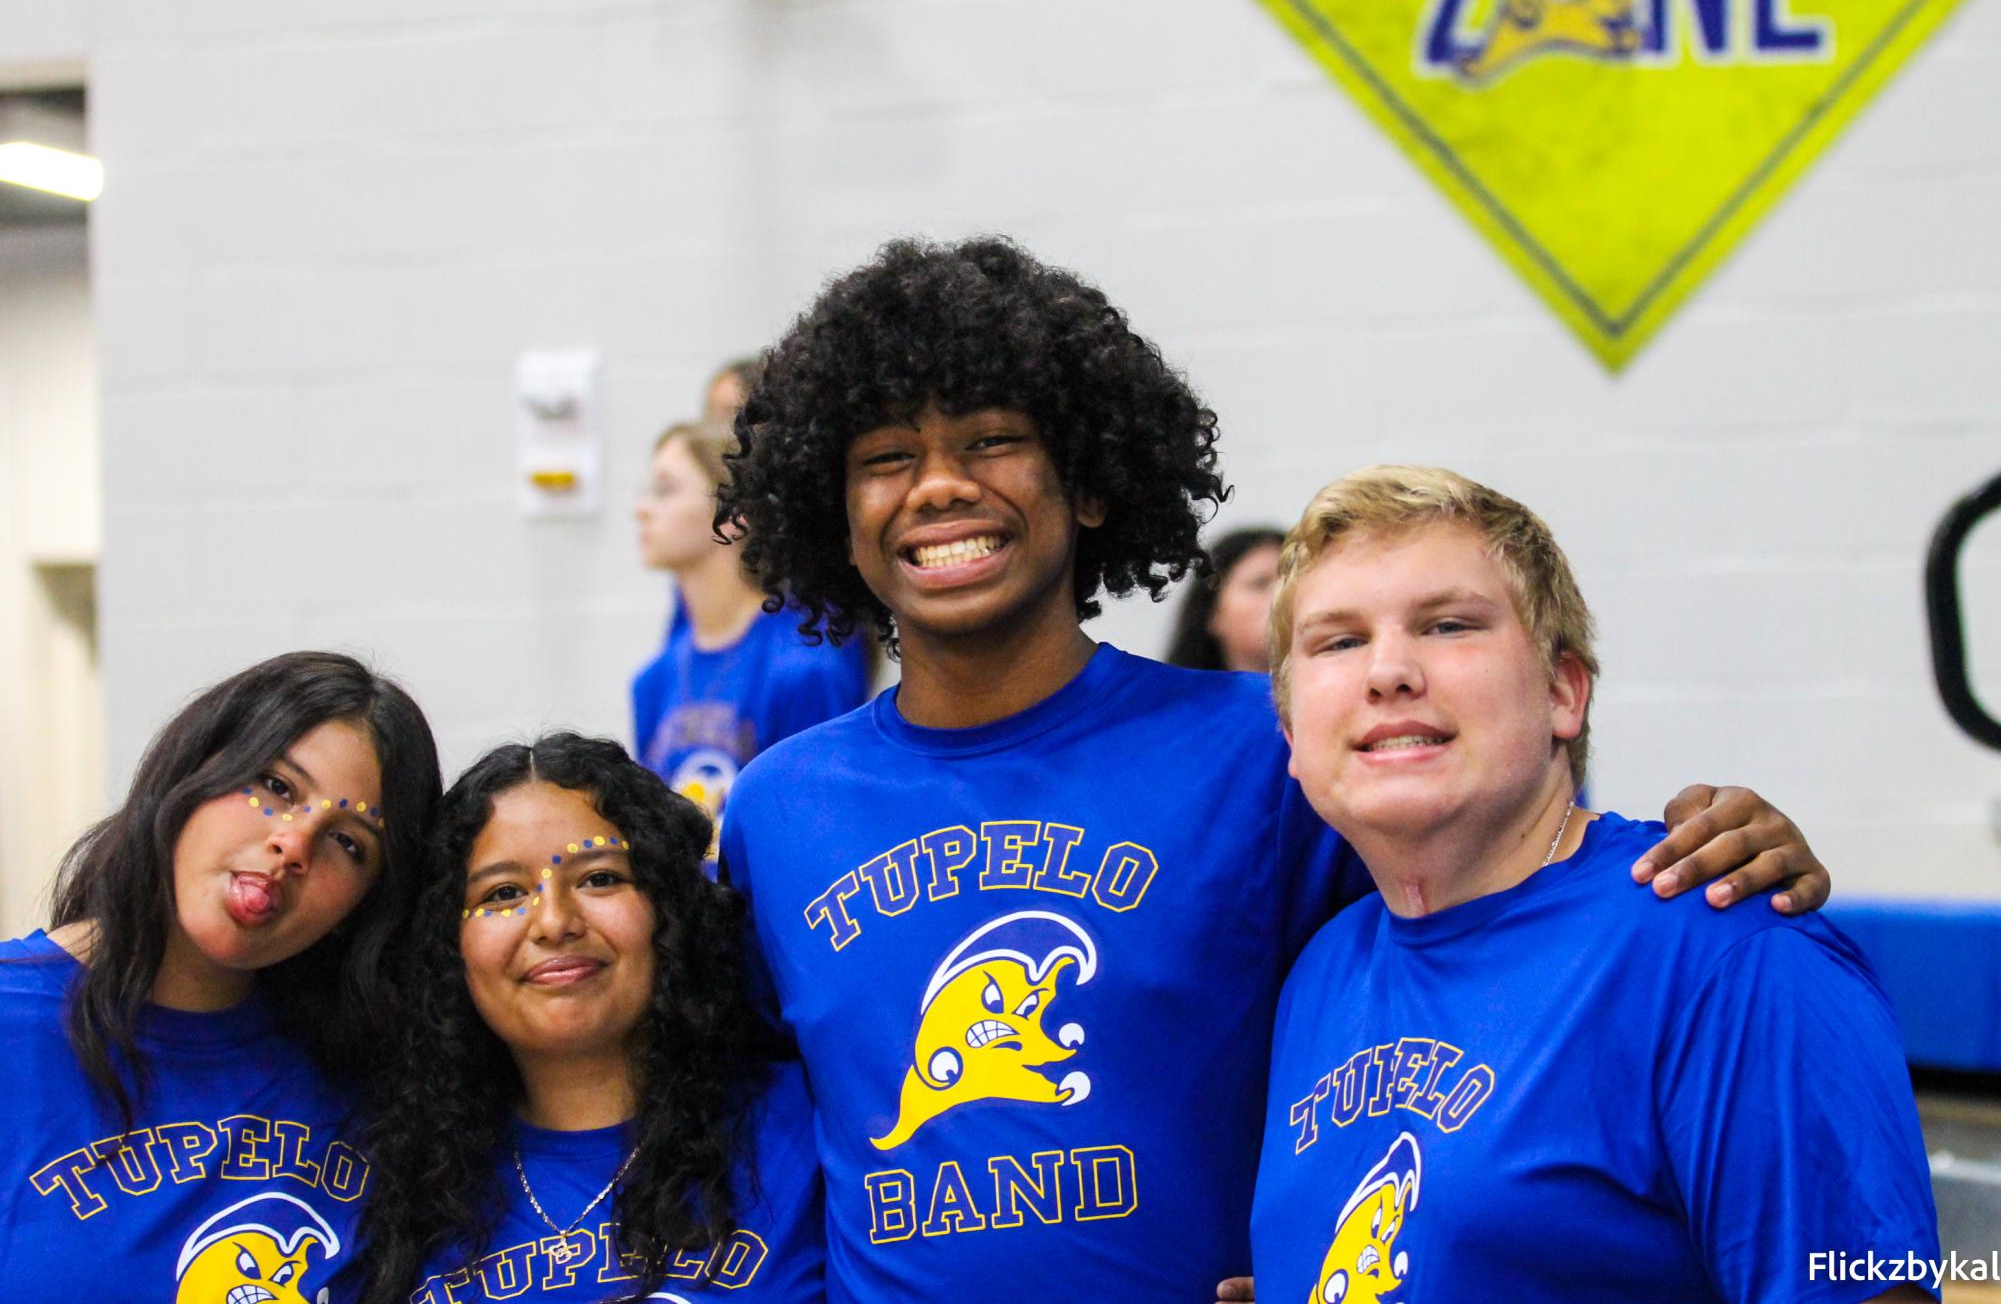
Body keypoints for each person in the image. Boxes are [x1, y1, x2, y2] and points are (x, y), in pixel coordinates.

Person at [712, 235, 1833, 1302]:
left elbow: (1502, 905)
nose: (941, 485)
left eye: (993, 440)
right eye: (887, 460)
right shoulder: (778, 811)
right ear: (835, 516)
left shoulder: (1270, 747)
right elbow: (743, 1116)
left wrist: (1721, 846)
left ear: (1090, 483)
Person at [1250, 466, 1937, 1303]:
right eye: (1338, 641)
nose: (1387, 671)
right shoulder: (1322, 970)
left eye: (1448, 625)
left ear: (1562, 694)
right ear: (1290, 732)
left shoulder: (1727, 950)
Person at [0, 650, 442, 1301]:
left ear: (362, 909)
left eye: (348, 843)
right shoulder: (15, 1024)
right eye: (276, 786)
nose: (293, 846)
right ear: (192, 771)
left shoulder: (370, 1077)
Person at [358, 732, 823, 1304]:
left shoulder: (806, 1128)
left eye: (600, 877)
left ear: (672, 908)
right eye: (503, 892)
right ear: (447, 946)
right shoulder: (400, 1186)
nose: (553, 922)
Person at [632, 421, 870, 831]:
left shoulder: (805, 667)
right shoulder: (653, 681)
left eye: (666, 490)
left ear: (733, 516)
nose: (641, 508)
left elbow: (823, 825)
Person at [1165, 525, 1285, 671]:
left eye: (1294, 582)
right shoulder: (1171, 692)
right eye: (1260, 584)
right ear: (1212, 612)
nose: (1284, 594)